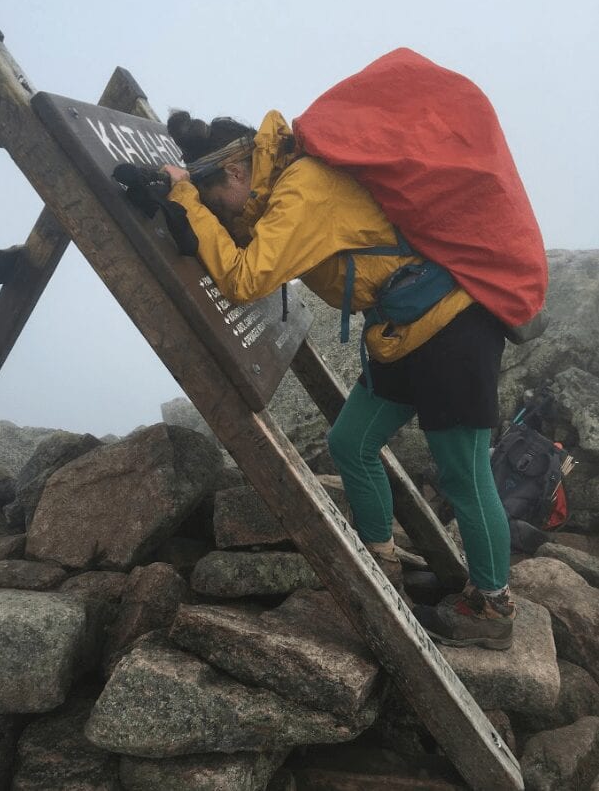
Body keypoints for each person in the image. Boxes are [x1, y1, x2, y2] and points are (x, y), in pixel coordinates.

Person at [160, 108, 516, 651]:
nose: (220, 214)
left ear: (234, 172)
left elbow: (246, 275)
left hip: (452, 327)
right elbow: (248, 235)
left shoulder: (304, 186)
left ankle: (491, 607)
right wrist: (187, 198)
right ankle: (381, 561)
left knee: (464, 474)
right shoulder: (282, 182)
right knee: (350, 441)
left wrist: (186, 200)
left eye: (215, 200)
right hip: (400, 328)